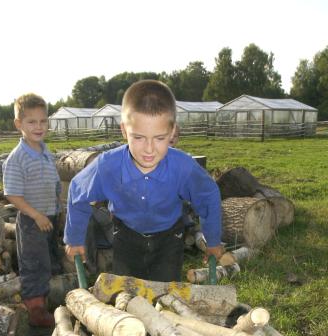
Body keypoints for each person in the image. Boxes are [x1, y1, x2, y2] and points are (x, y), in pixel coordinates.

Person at [64, 80, 223, 282]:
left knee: (167, 294)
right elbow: (78, 191)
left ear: (172, 132)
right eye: (138, 138)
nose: (149, 149)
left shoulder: (183, 167)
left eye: (159, 138)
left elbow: (208, 195)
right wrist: (75, 238)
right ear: (124, 130)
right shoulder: (108, 167)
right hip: (126, 236)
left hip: (169, 238)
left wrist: (213, 240)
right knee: (126, 293)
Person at [3, 93, 61, 326]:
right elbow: (12, 194)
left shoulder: (45, 151)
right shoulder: (17, 158)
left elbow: (53, 184)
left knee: (49, 257)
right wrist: (36, 215)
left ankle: (50, 298)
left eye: (43, 121)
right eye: (32, 122)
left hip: (49, 217)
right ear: (19, 124)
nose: (39, 127)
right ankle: (36, 311)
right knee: (34, 262)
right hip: (31, 220)